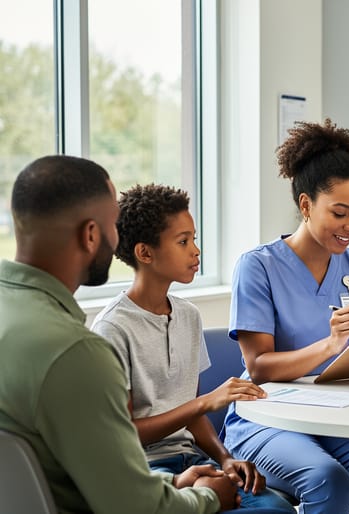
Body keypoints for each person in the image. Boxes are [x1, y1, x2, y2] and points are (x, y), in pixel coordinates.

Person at [0, 155, 236, 513]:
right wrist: (208, 497)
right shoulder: (77, 353)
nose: (118, 238)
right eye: (113, 223)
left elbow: (98, 471)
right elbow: (134, 506)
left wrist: (176, 482)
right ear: (91, 235)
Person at [224, 119, 349, 514]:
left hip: (337, 415)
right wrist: (329, 345)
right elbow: (259, 367)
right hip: (269, 417)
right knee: (328, 481)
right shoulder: (258, 266)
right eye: (340, 213)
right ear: (305, 205)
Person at [90, 184, 296, 513]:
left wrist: (226, 459)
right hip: (144, 471)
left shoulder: (188, 315)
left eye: (194, 239)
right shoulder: (113, 329)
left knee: (277, 509)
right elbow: (124, 434)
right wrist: (203, 403)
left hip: (193, 459)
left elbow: (194, 415)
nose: (196, 251)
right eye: (183, 241)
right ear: (145, 253)